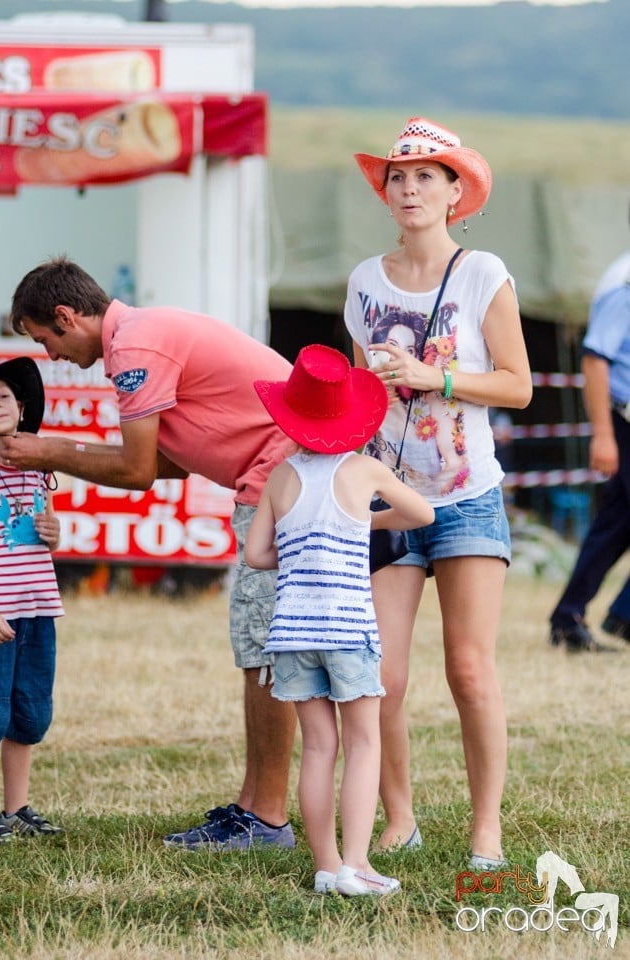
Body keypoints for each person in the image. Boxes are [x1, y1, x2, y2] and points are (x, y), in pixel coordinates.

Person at [3, 257, 299, 850]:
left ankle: (267, 820)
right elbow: (168, 463)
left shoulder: (136, 348)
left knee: (266, 653)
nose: (52, 356)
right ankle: (253, 808)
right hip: (277, 478)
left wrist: (46, 451)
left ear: (65, 316)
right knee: (257, 651)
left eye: (45, 340)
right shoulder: (138, 337)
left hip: (279, 481)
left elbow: (139, 472)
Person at [344, 116, 532, 869]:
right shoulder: (363, 280)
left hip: (467, 496)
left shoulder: (485, 273)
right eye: (398, 175)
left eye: (427, 175)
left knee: (469, 669)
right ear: (385, 191)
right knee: (381, 675)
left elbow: (517, 386)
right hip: (387, 495)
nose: (410, 187)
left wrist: (438, 377)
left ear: (457, 192)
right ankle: (399, 817)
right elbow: (359, 395)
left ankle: (486, 829)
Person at [244, 344, 435, 894]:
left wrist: (301, 546)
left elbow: (256, 555)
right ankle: (358, 864)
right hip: (349, 629)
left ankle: (326, 868)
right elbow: (421, 513)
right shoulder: (364, 471)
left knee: (319, 748)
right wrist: (368, 525)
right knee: (363, 744)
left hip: (293, 634)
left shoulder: (280, 477)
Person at [549, 226, 630, 652]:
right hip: (624, 420)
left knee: (614, 526)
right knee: (614, 524)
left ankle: (571, 618)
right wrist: (602, 435)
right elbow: (596, 359)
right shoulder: (625, 282)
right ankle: (621, 616)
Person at [0, 357, 64, 842]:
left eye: (1, 397)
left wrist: (55, 531)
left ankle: (15, 808)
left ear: (21, 408)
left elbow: (51, 534)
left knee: (28, 710)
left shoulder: (39, 470)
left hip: (37, 607)